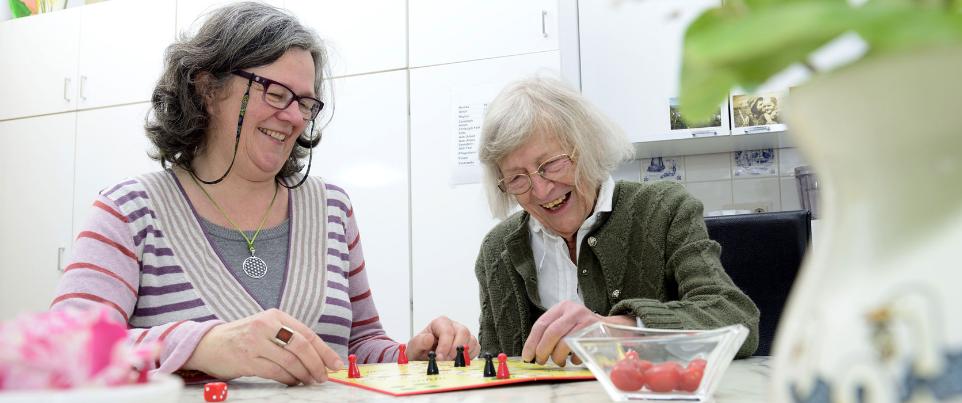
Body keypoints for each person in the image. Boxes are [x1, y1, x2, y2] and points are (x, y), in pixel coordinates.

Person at [50, 2, 478, 386]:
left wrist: (413, 356)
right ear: (207, 88)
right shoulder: (129, 211)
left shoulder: (332, 209)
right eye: (275, 93)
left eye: (306, 103)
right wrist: (205, 346)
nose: (293, 117)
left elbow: (358, 345)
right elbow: (61, 351)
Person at [475, 76, 760, 366]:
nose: (541, 190)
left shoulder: (665, 210)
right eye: (517, 178)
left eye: (550, 164)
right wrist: (454, 354)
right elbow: (494, 363)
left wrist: (623, 328)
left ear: (586, 147)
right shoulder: (497, 250)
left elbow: (736, 319)